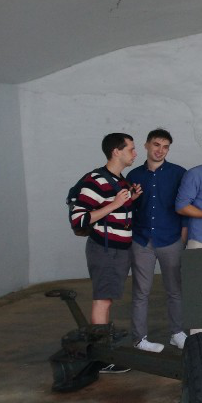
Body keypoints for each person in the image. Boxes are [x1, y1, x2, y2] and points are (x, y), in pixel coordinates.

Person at [69, 132, 142, 373]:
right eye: (130, 149)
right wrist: (116, 204)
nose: (135, 153)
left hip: (119, 250)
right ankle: (101, 357)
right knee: (102, 299)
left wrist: (131, 199)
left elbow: (118, 213)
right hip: (105, 249)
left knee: (107, 298)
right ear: (116, 151)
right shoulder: (94, 181)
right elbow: (79, 221)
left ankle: (103, 351)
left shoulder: (120, 181)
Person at [126, 128, 188, 353]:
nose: (160, 150)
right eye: (156, 145)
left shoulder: (179, 174)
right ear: (146, 146)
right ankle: (139, 338)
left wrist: (184, 232)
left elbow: (186, 205)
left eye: (165, 146)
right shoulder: (133, 176)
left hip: (171, 238)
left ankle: (177, 333)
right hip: (142, 240)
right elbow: (128, 207)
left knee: (175, 290)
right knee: (141, 291)